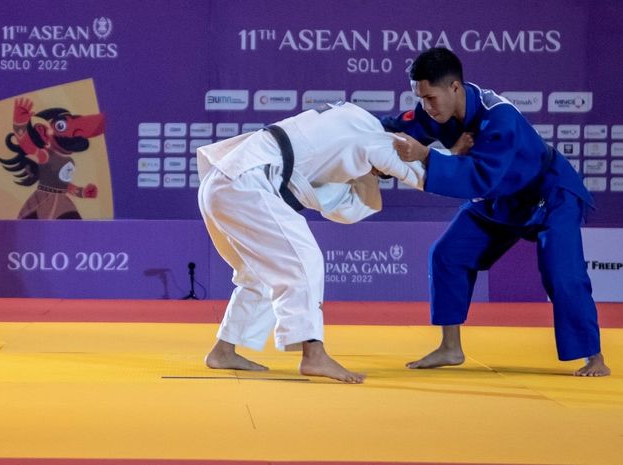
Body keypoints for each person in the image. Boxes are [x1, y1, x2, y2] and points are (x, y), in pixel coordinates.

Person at [386, 47, 610, 377]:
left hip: (549, 193)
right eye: (420, 98)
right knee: (447, 254)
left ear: (454, 88)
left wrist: (427, 157)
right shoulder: (435, 112)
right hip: (500, 199)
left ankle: (594, 356)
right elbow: (392, 127)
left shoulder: (498, 116)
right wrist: (347, 126)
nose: (426, 107)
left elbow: (480, 177)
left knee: (562, 274)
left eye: (431, 97)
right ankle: (450, 347)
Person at [197, 101, 428, 383]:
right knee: (304, 260)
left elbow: (348, 208)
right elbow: (421, 175)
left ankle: (223, 350)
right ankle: (313, 355)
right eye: (384, 171)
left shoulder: (347, 124)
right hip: (245, 183)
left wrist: (372, 174)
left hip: (223, 182)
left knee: (258, 274)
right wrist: (465, 162)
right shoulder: (377, 138)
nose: (383, 173)